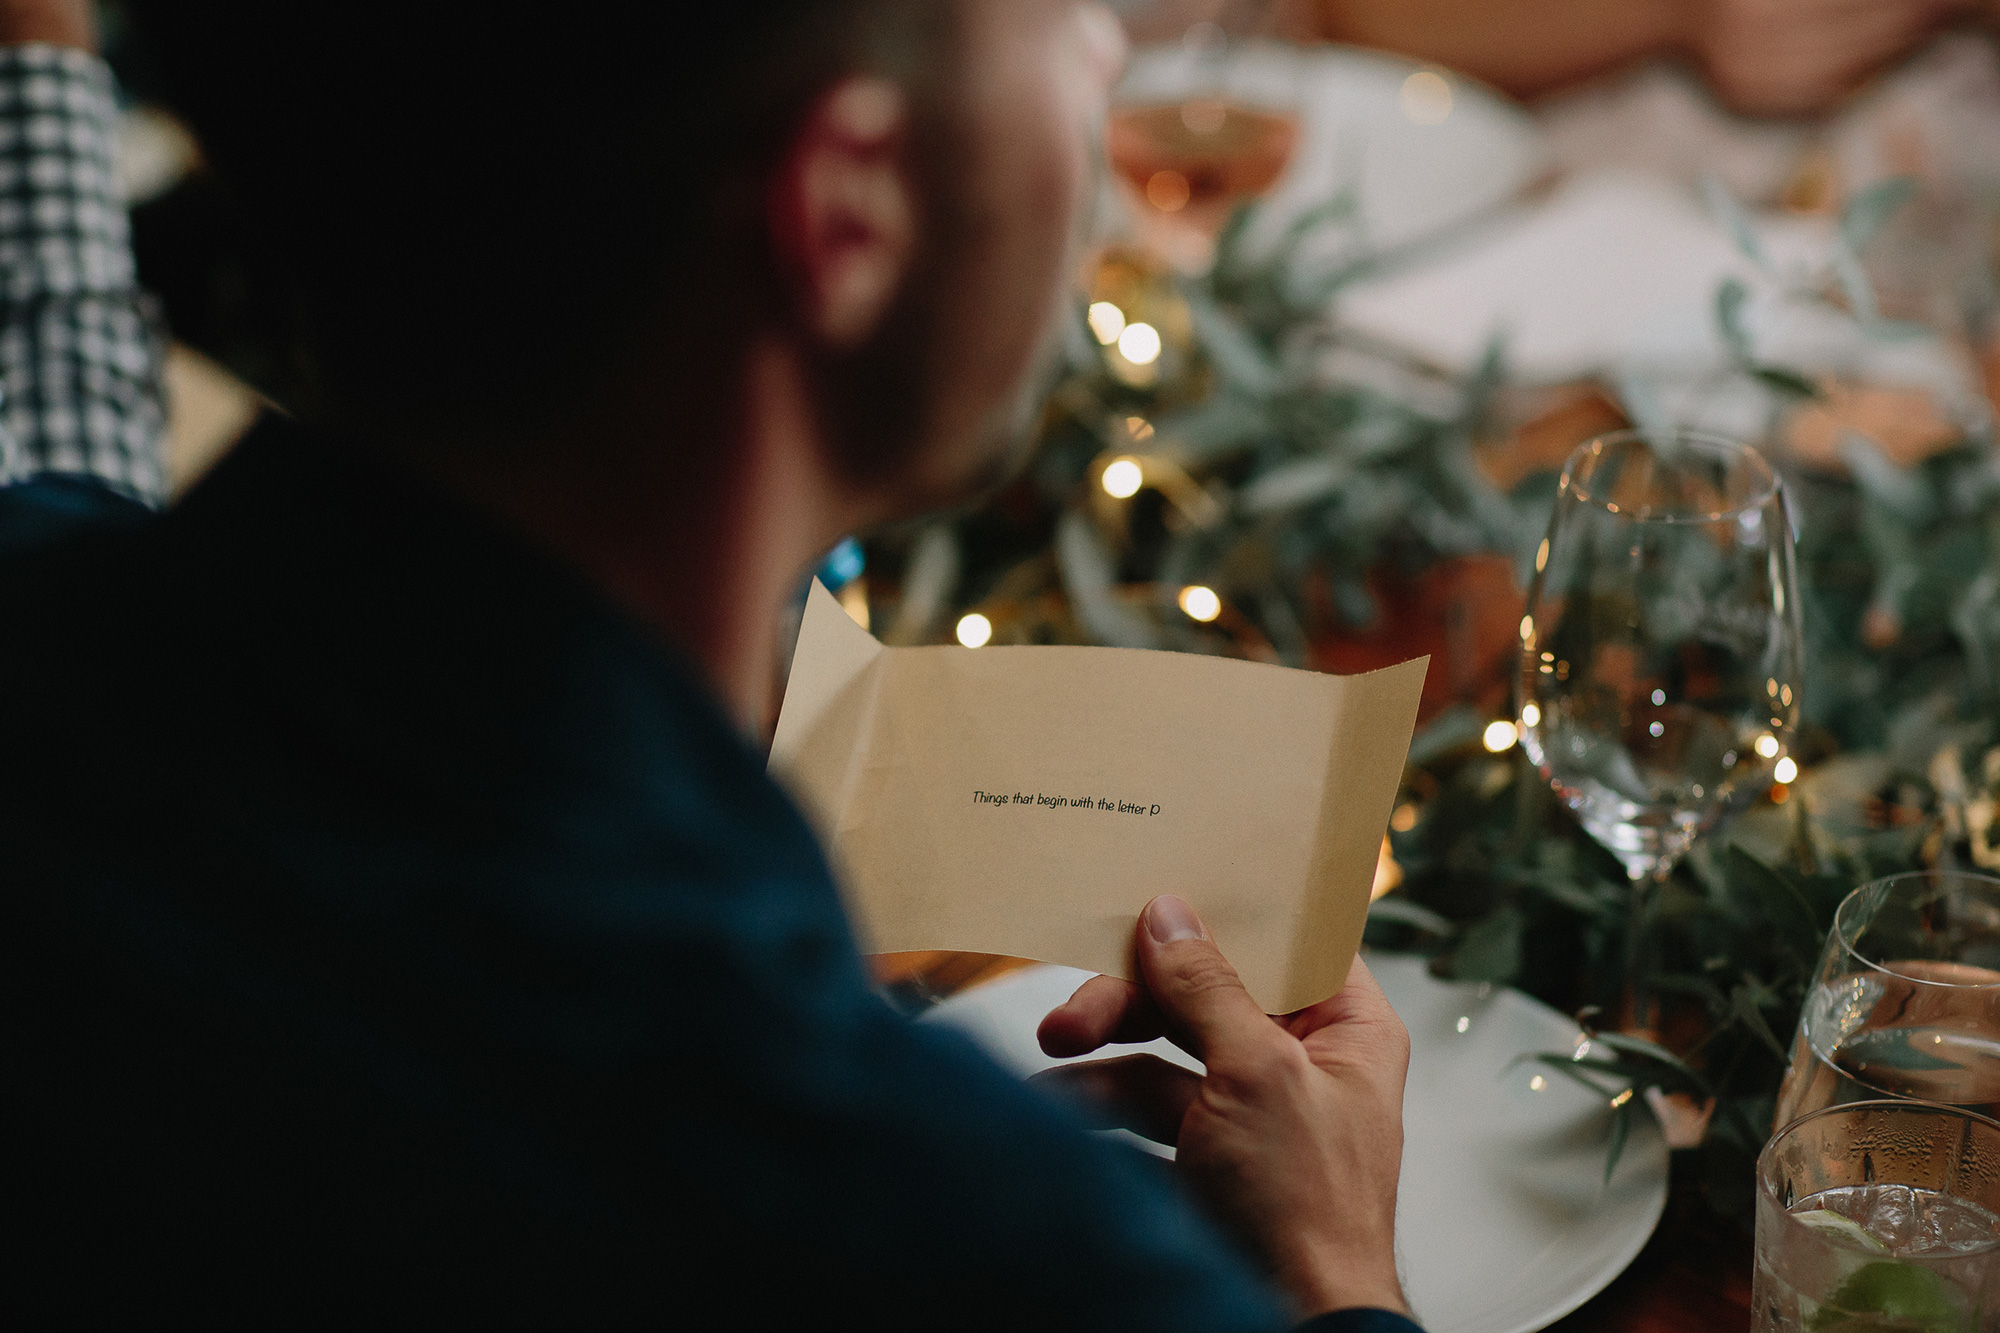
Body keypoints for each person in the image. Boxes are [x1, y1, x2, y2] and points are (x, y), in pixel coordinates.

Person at [2, 1, 1420, 1327]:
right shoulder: (947, 1235)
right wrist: (1335, 1270)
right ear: (846, 212)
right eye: (1051, 12)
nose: (1110, 46)